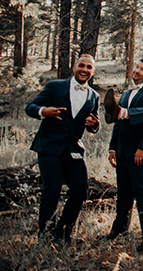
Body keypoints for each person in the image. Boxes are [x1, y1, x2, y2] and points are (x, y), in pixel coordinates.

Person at [25, 54, 101, 243]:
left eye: (89, 67)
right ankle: (45, 237)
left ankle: (63, 233)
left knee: (80, 190)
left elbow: (94, 124)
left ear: (93, 71)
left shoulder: (94, 95)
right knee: (52, 189)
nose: (84, 70)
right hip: (49, 147)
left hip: (74, 149)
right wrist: (44, 112)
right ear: (75, 67)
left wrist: (93, 124)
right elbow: (30, 107)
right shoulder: (55, 86)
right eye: (81, 66)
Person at [105, 58, 143, 250]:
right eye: (137, 68)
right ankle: (119, 230)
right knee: (124, 193)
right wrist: (113, 147)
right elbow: (119, 121)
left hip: (141, 152)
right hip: (123, 152)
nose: (138, 71)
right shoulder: (126, 93)